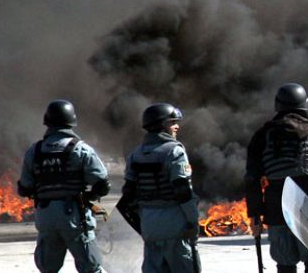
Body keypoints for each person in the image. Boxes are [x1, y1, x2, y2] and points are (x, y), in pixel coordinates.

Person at [17, 100, 111, 273]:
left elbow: (24, 188)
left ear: (47, 122)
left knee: (48, 269)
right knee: (91, 267)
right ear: (71, 121)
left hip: (45, 217)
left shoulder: (35, 151)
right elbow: (102, 184)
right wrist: (88, 197)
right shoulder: (81, 149)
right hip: (74, 217)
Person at [244, 83, 308, 273]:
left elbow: (252, 179)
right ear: (305, 105)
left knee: (284, 265)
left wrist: (255, 214)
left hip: (276, 207)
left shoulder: (262, 135)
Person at [119, 103, 200, 273]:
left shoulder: (136, 155)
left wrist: (144, 222)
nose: (177, 126)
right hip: (175, 227)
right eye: (172, 122)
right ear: (162, 125)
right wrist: (193, 221)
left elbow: (128, 195)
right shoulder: (174, 151)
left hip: (150, 228)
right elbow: (183, 191)